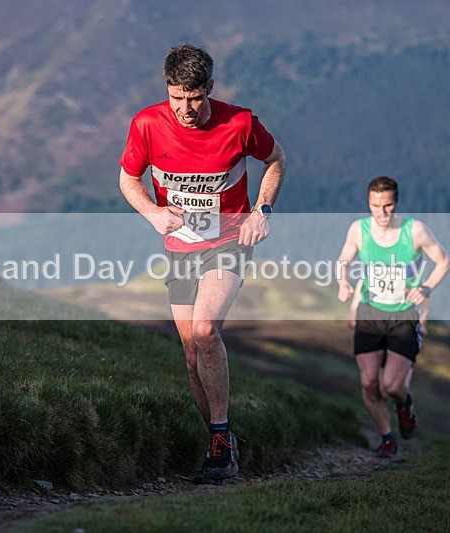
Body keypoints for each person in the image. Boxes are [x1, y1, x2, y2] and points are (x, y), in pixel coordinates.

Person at [119, 44, 286, 481]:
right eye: (176, 97)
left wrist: (261, 211)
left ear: (210, 88)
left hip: (229, 240)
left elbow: (276, 160)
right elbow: (128, 177)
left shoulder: (240, 123)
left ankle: (220, 441)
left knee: (206, 328)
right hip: (179, 248)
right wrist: (153, 212)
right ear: (167, 90)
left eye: (194, 98)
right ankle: (218, 438)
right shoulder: (147, 124)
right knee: (192, 355)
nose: (186, 109)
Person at [337, 176, 450, 457]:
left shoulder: (415, 231)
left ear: (396, 203)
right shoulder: (358, 230)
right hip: (369, 313)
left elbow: (444, 261)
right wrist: (343, 281)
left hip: (403, 316)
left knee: (392, 385)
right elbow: (343, 260)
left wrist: (425, 288)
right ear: (369, 203)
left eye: (387, 205)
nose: (382, 213)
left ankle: (404, 403)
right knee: (368, 383)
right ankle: (388, 438)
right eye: (376, 206)